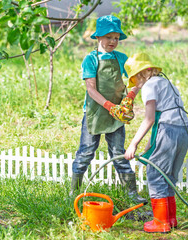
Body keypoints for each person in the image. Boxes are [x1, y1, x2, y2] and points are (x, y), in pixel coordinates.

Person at [70, 15, 147, 204]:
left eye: (116, 37)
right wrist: (109, 106)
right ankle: (74, 193)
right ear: (98, 37)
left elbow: (138, 78)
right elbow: (91, 89)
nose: (113, 41)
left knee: (119, 153)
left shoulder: (121, 59)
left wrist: (130, 97)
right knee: (86, 152)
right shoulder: (91, 59)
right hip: (95, 113)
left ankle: (131, 195)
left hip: (117, 115)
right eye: (108, 37)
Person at [124, 53, 188, 233]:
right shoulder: (166, 83)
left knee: (155, 174)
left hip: (168, 131)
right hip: (183, 131)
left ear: (142, 74)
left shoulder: (149, 86)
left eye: (135, 79)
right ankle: (171, 219)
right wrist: (149, 148)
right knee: (167, 175)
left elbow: (149, 119)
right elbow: (163, 118)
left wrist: (133, 144)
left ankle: (160, 223)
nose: (136, 84)